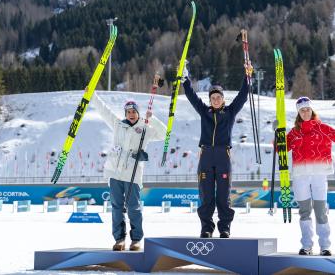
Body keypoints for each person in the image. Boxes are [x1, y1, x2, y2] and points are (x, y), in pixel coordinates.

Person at [182, 65, 250, 238]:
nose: (216, 100)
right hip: (205, 155)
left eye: (218, 97)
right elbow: (192, 97)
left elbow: (242, 97)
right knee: (206, 195)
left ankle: (224, 227)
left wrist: (247, 78)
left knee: (223, 195)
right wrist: (185, 81)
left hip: (222, 156)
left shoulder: (230, 112)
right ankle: (206, 228)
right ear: (210, 100)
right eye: (213, 97)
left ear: (223, 99)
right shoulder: (204, 112)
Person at [91, 92, 166, 251]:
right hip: (114, 172)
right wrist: (92, 96)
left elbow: (164, 133)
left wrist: (152, 118)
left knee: (133, 207)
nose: (131, 114)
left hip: (133, 173)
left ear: (138, 113)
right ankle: (119, 239)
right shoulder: (118, 124)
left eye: (134, 112)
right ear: (125, 114)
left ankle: (136, 239)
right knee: (116, 207)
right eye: (128, 112)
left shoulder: (145, 128)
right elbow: (104, 111)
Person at [287, 96, 335, 256]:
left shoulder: (322, 128)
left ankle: (325, 246)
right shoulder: (294, 133)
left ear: (312, 110)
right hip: (301, 175)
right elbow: (280, 149)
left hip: (319, 174)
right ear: (298, 113)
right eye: (302, 110)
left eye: (307, 109)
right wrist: (279, 136)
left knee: (321, 211)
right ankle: (307, 245)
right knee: (304, 211)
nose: (305, 112)